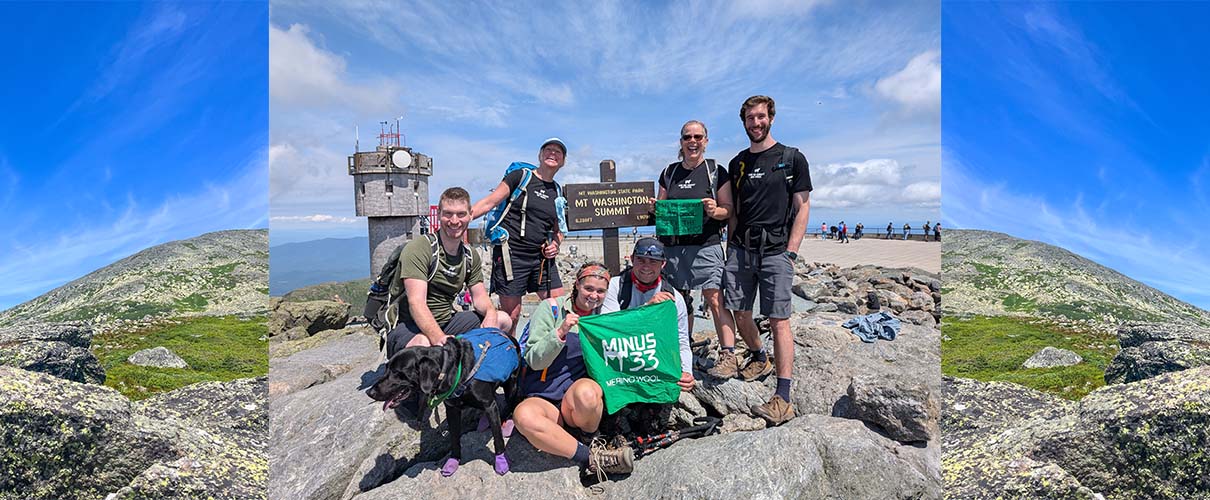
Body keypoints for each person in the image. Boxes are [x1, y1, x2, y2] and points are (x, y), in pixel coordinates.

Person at [722, 95, 812, 425]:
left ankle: (783, 398)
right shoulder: (738, 164)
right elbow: (734, 211)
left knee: (779, 320)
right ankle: (759, 355)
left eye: (761, 117)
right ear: (743, 122)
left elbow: (802, 207)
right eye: (749, 118)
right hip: (741, 249)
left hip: (776, 251)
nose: (756, 123)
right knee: (740, 313)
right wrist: (730, 246)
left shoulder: (792, 158)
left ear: (771, 118)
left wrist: (791, 251)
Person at [513, 262, 634, 477]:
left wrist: (655, 304)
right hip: (543, 395)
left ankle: (590, 437)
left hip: (575, 401)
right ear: (577, 284)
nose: (593, 296)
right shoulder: (551, 308)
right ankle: (590, 457)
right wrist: (559, 332)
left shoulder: (606, 318)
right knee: (523, 416)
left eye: (600, 291)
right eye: (588, 288)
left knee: (588, 393)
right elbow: (533, 360)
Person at [383, 187, 512, 357]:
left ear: (470, 214)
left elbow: (479, 296)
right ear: (438, 215)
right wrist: (440, 339)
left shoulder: (469, 255)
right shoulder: (420, 249)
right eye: (448, 214)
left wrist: (490, 313)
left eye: (461, 214)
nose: (454, 220)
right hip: (408, 326)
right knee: (425, 344)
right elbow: (416, 303)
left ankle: (474, 376)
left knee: (503, 320)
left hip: (446, 321)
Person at [471, 138, 567, 337]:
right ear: (540, 156)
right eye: (548, 149)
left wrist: (556, 245)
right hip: (511, 256)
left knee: (559, 307)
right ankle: (510, 357)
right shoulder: (520, 177)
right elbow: (489, 202)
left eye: (558, 152)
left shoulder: (557, 191)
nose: (552, 153)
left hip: (541, 260)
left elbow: (559, 229)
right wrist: (461, 218)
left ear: (563, 161)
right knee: (511, 316)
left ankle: (551, 353)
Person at [655, 120, 735, 340]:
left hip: (705, 245)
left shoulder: (716, 171)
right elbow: (660, 209)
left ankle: (728, 352)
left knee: (714, 297)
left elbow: (728, 209)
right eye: (687, 137)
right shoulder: (669, 172)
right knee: (678, 299)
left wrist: (714, 210)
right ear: (681, 142)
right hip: (673, 248)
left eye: (697, 137)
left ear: (706, 141)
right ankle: (683, 345)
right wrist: (654, 207)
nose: (692, 141)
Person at [600, 238, 695, 392]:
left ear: (663, 264)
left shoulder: (674, 297)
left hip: (653, 358)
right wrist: (647, 309)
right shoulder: (615, 285)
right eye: (641, 260)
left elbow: (681, 341)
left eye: (653, 261)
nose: (646, 267)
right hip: (621, 358)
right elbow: (608, 327)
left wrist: (687, 372)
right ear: (631, 259)